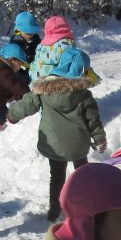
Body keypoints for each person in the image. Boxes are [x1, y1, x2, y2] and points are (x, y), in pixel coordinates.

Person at [8, 46, 106, 222]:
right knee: (82, 175)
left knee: (57, 177)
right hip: (78, 144)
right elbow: (93, 120)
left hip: (55, 145)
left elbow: (26, 105)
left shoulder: (43, 89)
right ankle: (85, 207)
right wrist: (99, 139)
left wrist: (12, 116)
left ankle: (54, 210)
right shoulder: (84, 95)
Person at [29, 16, 82, 84]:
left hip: (36, 81)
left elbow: (36, 61)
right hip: (52, 83)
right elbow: (71, 64)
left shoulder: (41, 45)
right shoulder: (66, 44)